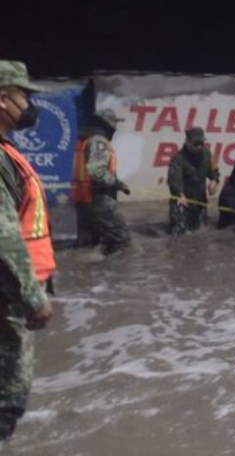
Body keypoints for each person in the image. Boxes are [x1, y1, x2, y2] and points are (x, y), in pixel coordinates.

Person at [0, 60, 55, 440]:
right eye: (25, 95)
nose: (29, 104)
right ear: (4, 99)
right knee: (5, 406)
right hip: (7, 301)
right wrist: (33, 296)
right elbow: (3, 235)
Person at [71, 109, 132, 254]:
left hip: (82, 200)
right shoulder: (99, 141)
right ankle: (115, 274)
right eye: (114, 123)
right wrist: (117, 183)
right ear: (108, 124)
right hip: (98, 199)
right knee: (121, 240)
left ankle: (88, 273)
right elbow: (96, 171)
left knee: (88, 244)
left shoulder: (83, 140)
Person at [167, 127, 220, 236]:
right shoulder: (178, 158)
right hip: (182, 203)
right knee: (180, 237)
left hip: (200, 203)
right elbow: (174, 179)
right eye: (195, 144)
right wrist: (179, 194)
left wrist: (214, 181)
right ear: (187, 142)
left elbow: (214, 170)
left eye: (201, 143)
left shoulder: (207, 154)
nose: (199, 146)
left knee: (202, 235)